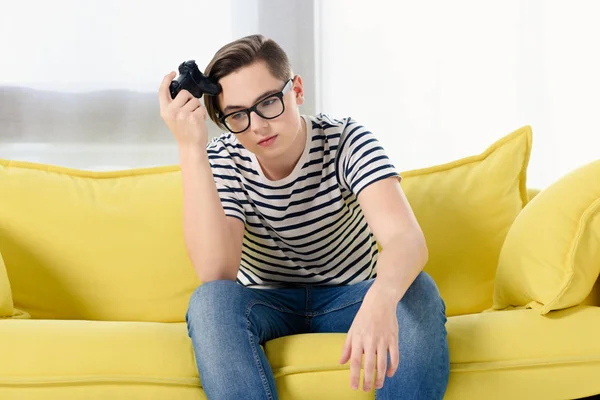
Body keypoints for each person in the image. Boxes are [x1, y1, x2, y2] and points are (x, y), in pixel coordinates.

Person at [158, 34, 449, 400]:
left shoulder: (347, 140)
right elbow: (217, 274)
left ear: (296, 91)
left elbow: (405, 240)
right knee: (210, 301)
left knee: (416, 288)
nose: (258, 125)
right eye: (237, 115)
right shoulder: (224, 158)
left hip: (351, 295)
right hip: (266, 304)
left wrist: (382, 298)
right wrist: (190, 147)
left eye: (268, 103)